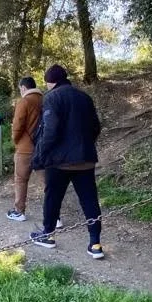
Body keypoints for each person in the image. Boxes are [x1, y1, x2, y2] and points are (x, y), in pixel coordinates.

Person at [31, 65, 104, 258]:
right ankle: (95, 244)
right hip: (85, 159)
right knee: (89, 200)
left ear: (50, 81)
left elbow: (50, 131)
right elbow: (96, 126)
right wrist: (86, 144)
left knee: (52, 197)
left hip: (59, 161)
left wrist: (40, 156)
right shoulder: (84, 97)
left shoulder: (52, 98)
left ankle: (48, 235)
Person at [7, 77, 44, 222]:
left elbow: (18, 125)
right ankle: (55, 215)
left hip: (25, 148)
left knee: (21, 180)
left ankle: (19, 211)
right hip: (43, 147)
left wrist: (16, 140)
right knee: (47, 183)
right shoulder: (45, 100)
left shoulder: (24, 101)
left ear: (23, 88)